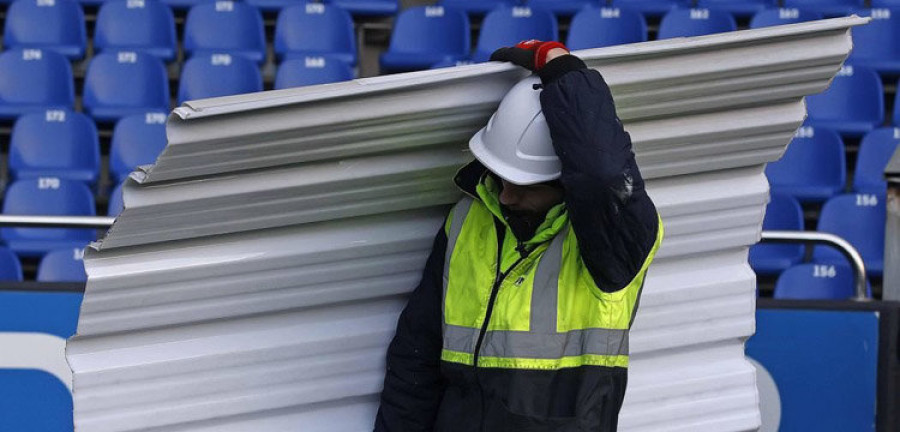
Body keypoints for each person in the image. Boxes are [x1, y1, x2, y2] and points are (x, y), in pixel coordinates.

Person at [374, 40, 664, 432]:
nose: (506, 196)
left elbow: (603, 175)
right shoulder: (468, 219)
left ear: (566, 183)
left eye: (525, 186)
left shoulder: (614, 240)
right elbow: (416, 356)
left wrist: (561, 66)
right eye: (501, 179)